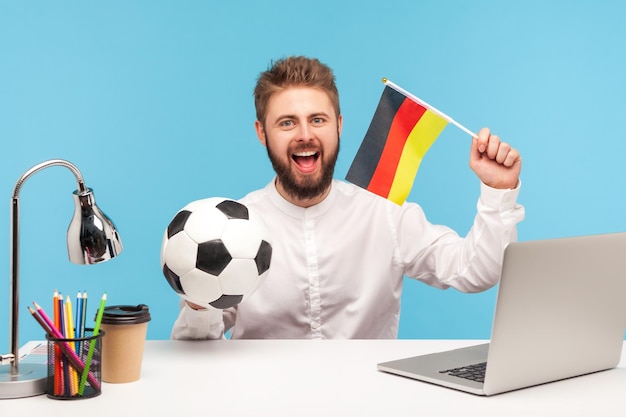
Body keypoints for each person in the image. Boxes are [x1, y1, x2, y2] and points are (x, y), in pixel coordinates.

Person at [171, 56, 524, 339]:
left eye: (318, 119)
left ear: (339, 125)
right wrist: (199, 304)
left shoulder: (384, 212)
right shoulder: (233, 228)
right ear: (262, 133)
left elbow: (474, 271)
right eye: (287, 123)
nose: (305, 135)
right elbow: (199, 351)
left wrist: (498, 192)